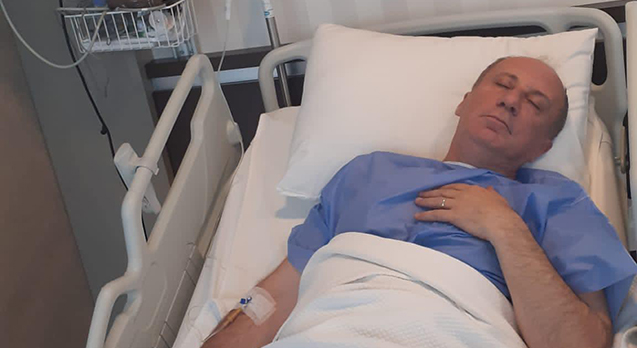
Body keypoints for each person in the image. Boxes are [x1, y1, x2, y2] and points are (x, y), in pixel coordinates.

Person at [203, 56, 637, 348]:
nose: (510, 101)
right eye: (503, 85)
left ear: (543, 146)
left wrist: (504, 228)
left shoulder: (557, 202)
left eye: (534, 104)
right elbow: (273, 298)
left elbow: (579, 342)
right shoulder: (368, 172)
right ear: (464, 103)